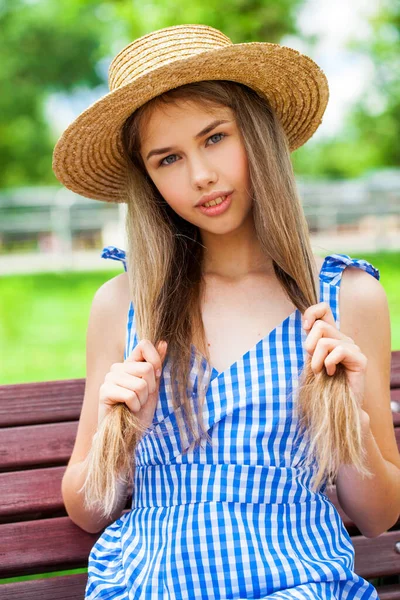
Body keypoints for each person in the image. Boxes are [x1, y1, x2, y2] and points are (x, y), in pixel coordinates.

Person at [52, 24, 399, 600]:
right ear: (149, 180)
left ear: (258, 134)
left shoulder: (346, 298)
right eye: (168, 159)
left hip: (298, 583)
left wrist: (350, 426)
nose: (200, 176)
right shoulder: (124, 304)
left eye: (215, 138)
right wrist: (125, 433)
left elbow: (380, 517)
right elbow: (88, 511)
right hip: (148, 585)